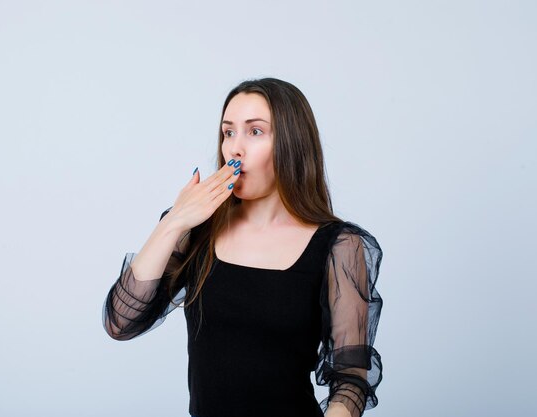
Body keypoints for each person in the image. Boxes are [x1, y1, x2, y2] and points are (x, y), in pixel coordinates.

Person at [102, 77, 384, 417]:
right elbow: (121, 323)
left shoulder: (340, 246)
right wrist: (173, 222)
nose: (235, 148)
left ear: (291, 145)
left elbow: (350, 379)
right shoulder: (196, 230)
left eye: (255, 132)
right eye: (228, 132)